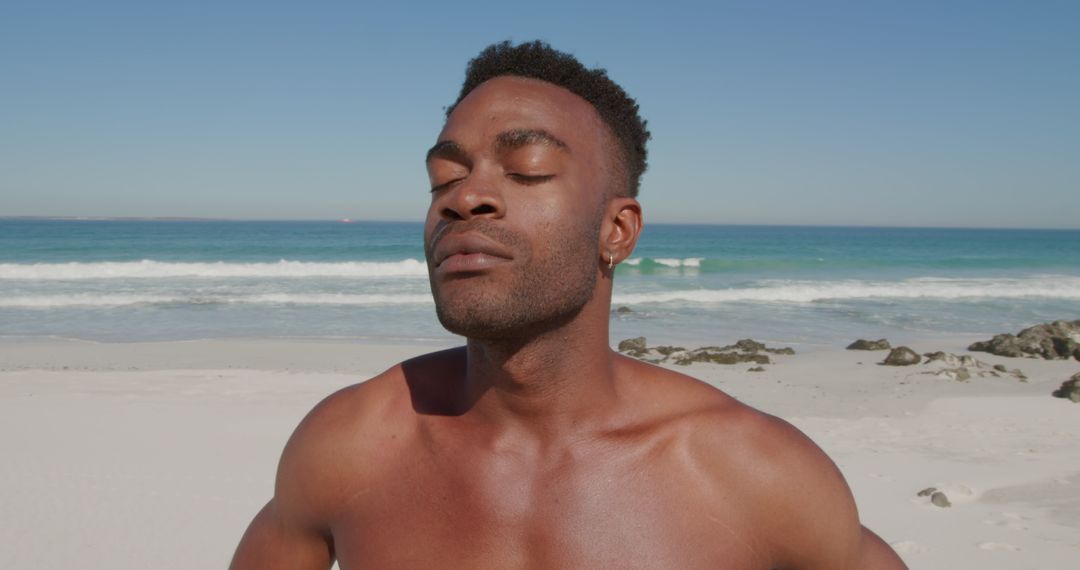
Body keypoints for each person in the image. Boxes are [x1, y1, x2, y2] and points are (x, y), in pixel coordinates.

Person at [230, 40, 907, 569]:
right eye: (444, 176)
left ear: (618, 231)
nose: (464, 197)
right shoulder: (350, 447)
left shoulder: (752, 476)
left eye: (526, 169)